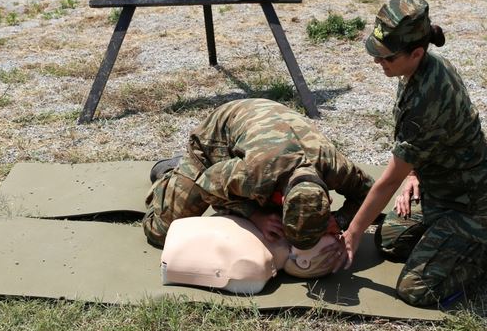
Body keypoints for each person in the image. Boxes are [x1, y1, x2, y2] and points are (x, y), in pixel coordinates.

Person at [338, 0, 487, 307]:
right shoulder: (419, 69)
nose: (379, 63)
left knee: (417, 289)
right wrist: (414, 172)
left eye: (387, 58)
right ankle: (483, 229)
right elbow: (431, 141)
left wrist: (352, 233)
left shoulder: (426, 99)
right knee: (390, 241)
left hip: (472, 201)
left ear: (416, 52)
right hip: (445, 190)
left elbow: (388, 182)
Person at [143, 98, 374, 257]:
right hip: (216, 142)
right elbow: (207, 183)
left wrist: (342, 221)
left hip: (267, 130)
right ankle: (170, 172)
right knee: (162, 233)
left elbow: (369, 192)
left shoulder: (334, 167)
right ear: (283, 201)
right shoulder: (255, 173)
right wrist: (254, 215)